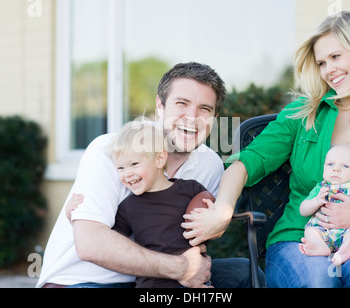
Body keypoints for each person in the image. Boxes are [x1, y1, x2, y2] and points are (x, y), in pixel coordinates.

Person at [183, 11, 350, 288]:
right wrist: (222, 210)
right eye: (322, 63)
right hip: (299, 239)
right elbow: (245, 164)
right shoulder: (302, 115)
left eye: (336, 57)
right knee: (318, 280)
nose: (329, 70)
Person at [37, 62, 260, 288]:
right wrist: (183, 268)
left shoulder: (210, 165)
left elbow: (196, 239)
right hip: (84, 281)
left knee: (243, 273)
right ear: (160, 105)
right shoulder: (109, 149)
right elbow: (90, 243)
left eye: (204, 109)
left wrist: (214, 228)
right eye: (181, 103)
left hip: (156, 280)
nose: (192, 117)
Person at [72, 120, 215, 287]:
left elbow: (211, 220)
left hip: (196, 281)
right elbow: (111, 244)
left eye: (134, 164)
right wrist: (72, 218)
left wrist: (213, 214)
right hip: (151, 285)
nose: (127, 174)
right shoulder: (128, 207)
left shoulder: (192, 189)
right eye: (120, 168)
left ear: (160, 159)